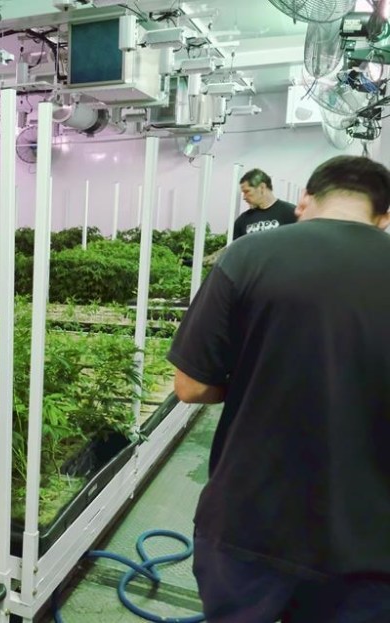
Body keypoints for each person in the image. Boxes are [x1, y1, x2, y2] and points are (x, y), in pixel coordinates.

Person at [167, 155, 390, 623]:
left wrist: (253, 376)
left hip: (251, 522)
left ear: (305, 200)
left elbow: (189, 386)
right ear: (384, 217)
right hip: (370, 542)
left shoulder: (246, 255)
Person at [233, 168, 298, 239]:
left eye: (247, 191)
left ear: (262, 187)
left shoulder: (291, 213)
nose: (244, 197)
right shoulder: (242, 221)